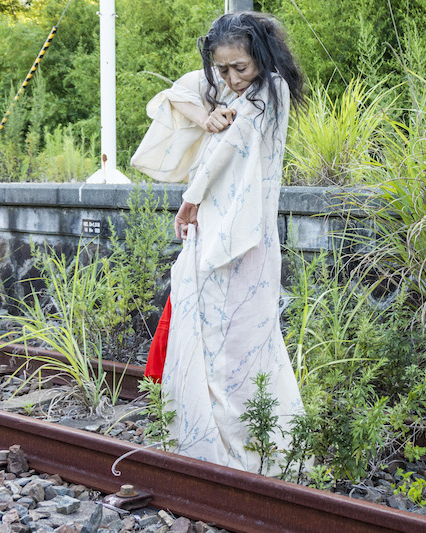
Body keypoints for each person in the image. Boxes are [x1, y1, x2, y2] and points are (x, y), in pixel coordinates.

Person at [131, 12, 305, 475]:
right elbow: (177, 93)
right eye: (222, 68)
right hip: (213, 229)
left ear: (262, 58)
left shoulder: (270, 90)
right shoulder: (227, 86)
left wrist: (188, 199)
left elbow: (232, 147)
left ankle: (254, 455)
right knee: (206, 335)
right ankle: (206, 447)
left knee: (241, 345)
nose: (230, 77)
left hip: (244, 238)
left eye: (240, 68)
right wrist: (205, 114)